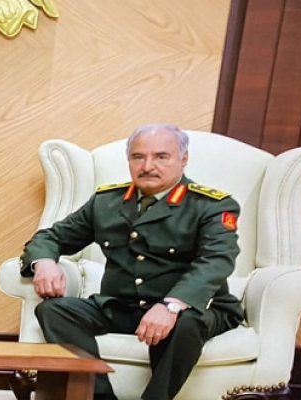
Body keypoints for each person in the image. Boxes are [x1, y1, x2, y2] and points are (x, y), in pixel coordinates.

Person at [19, 124, 244, 400]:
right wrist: (44, 262)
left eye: (161, 157)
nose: (147, 166)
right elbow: (51, 237)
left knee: (186, 323)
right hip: (123, 306)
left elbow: (216, 260)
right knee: (54, 310)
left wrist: (172, 305)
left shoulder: (210, 205)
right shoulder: (106, 202)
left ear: (183, 159)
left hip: (192, 309)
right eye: (138, 157)